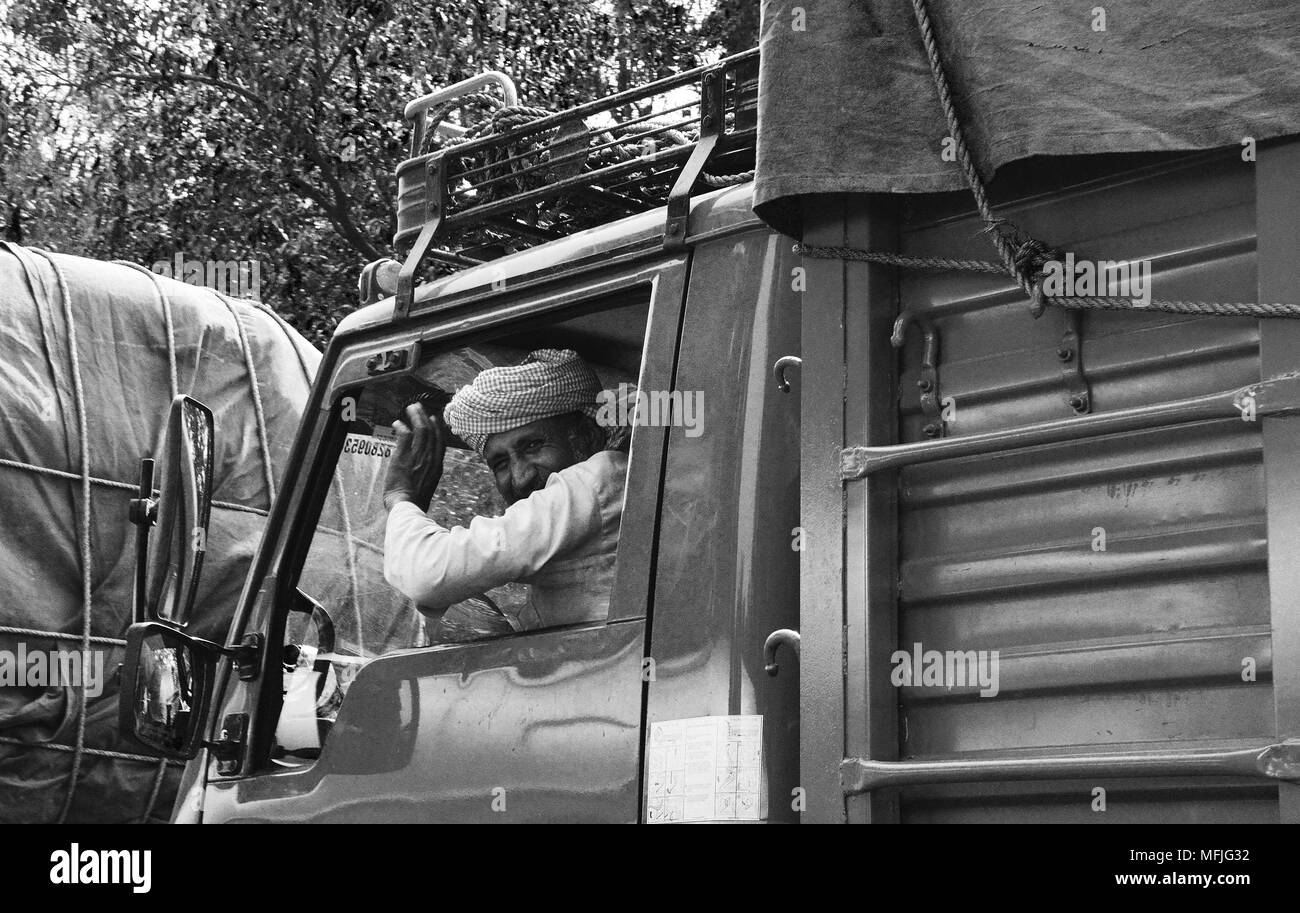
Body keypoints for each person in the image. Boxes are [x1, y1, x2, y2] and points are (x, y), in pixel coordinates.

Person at [382, 349, 628, 638]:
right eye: (500, 463)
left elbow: (427, 576)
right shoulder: (586, 505)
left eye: (532, 446)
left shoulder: (599, 478)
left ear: (586, 434)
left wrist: (399, 498)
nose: (520, 478)